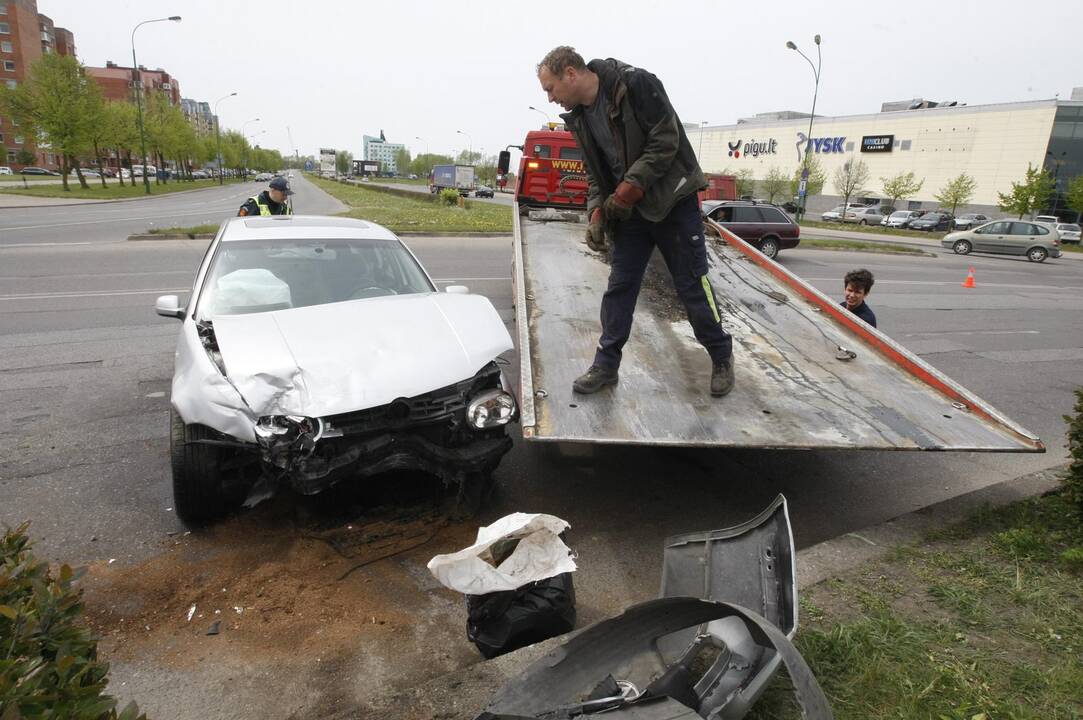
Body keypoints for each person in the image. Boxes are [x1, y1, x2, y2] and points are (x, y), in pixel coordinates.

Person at [536, 47, 734, 398]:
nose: (551, 99)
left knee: (691, 286)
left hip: (672, 203)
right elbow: (596, 175)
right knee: (620, 287)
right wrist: (596, 212)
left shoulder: (636, 84)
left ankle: (721, 355)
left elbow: (665, 142)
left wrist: (627, 191)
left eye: (550, 89)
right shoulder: (579, 117)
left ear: (570, 73)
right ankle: (606, 366)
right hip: (630, 214)